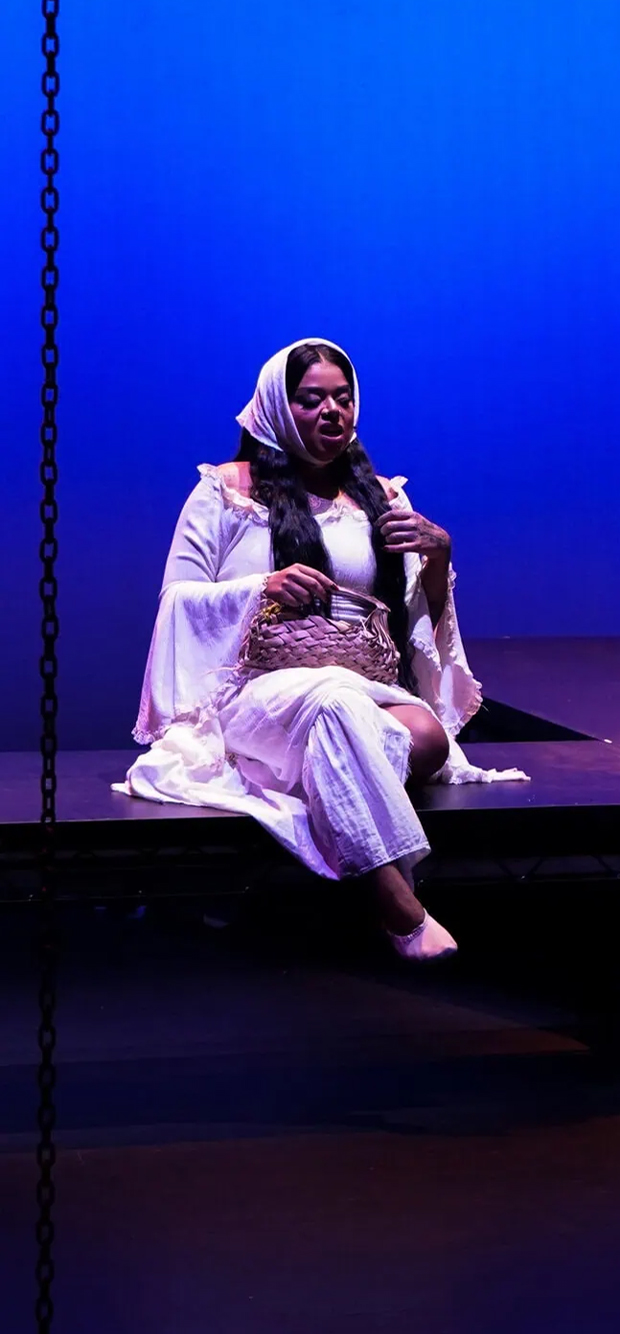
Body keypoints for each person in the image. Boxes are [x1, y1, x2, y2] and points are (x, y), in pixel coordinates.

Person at [119, 338, 525, 958]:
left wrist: (437, 556)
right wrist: (261, 588)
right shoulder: (226, 491)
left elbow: (420, 619)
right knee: (334, 707)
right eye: (311, 400)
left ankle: (310, 811)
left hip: (363, 684)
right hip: (257, 690)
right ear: (279, 408)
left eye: (342, 398)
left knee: (427, 738)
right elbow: (176, 599)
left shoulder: (381, 499)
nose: (331, 411)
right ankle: (397, 903)